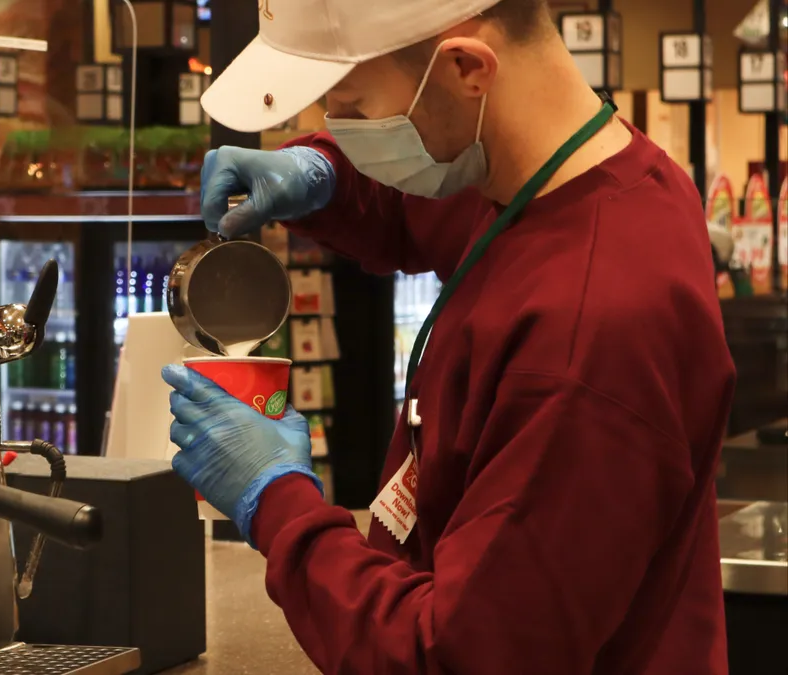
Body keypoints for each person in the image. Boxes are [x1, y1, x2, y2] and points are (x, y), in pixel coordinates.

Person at [162, 0, 735, 673]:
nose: (336, 126)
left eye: (352, 104)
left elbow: (461, 655)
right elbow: (427, 202)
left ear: (466, 67)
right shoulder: (557, 177)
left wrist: (281, 506)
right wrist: (326, 179)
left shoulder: (589, 334)